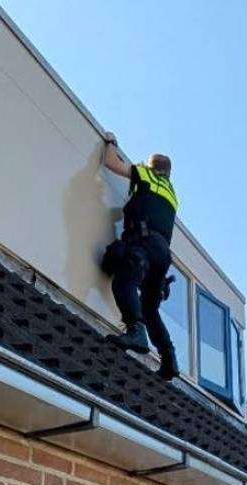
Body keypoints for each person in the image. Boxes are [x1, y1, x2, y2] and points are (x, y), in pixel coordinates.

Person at [100, 131, 180, 380]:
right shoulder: (172, 193)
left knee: (124, 282)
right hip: (162, 256)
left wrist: (111, 142)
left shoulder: (145, 174)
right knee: (150, 308)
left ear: (150, 167)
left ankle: (136, 331)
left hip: (142, 245)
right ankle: (169, 361)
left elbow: (111, 163)